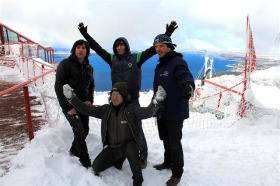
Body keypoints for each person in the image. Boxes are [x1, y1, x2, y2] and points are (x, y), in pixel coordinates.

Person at [77, 21, 178, 168]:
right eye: (117, 45)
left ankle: (143, 156)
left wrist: (167, 33)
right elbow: (97, 48)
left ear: (126, 46)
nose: (119, 47)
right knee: (115, 127)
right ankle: (116, 153)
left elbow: (152, 50)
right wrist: (85, 34)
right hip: (117, 101)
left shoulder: (136, 58)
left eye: (122, 44)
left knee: (137, 129)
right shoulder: (112, 59)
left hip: (132, 101)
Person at [62, 82, 166, 186]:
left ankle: (138, 181)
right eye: (113, 94)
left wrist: (156, 101)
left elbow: (147, 112)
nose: (114, 97)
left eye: (118, 95)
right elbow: (86, 109)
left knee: (132, 149)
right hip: (113, 148)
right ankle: (118, 158)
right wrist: (72, 98)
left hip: (128, 146)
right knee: (96, 167)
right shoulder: (105, 110)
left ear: (124, 97)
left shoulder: (131, 109)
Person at [152, 34, 195, 186]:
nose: (158, 49)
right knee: (165, 139)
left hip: (175, 111)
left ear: (169, 47)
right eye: (156, 46)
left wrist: (188, 86)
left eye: (161, 46)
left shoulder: (177, 62)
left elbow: (185, 77)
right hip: (162, 110)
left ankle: (177, 173)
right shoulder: (161, 64)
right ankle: (168, 162)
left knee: (175, 142)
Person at [54, 39, 94, 168]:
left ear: (87, 51)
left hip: (83, 105)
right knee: (79, 130)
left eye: (84, 47)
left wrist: (90, 99)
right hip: (70, 105)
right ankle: (85, 161)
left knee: (85, 130)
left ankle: (73, 151)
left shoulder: (89, 67)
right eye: (78, 47)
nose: (81, 50)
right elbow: (58, 87)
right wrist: (67, 107)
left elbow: (91, 85)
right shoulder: (65, 65)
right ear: (74, 49)